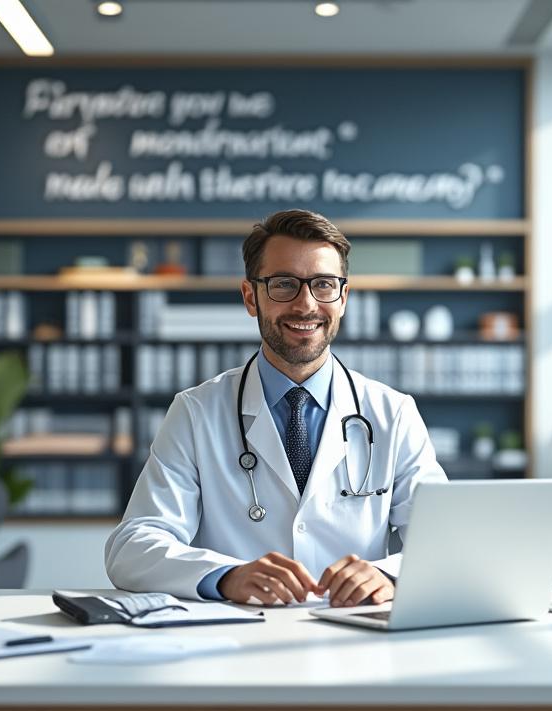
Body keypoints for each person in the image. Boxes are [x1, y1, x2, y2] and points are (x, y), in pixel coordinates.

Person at [105, 209, 446, 606]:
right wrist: (226, 576)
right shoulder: (196, 412)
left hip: (355, 632)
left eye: (323, 284)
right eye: (284, 284)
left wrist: (388, 576)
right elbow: (132, 547)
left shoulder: (393, 414)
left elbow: (447, 542)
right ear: (251, 297)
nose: (306, 304)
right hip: (240, 631)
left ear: (343, 298)